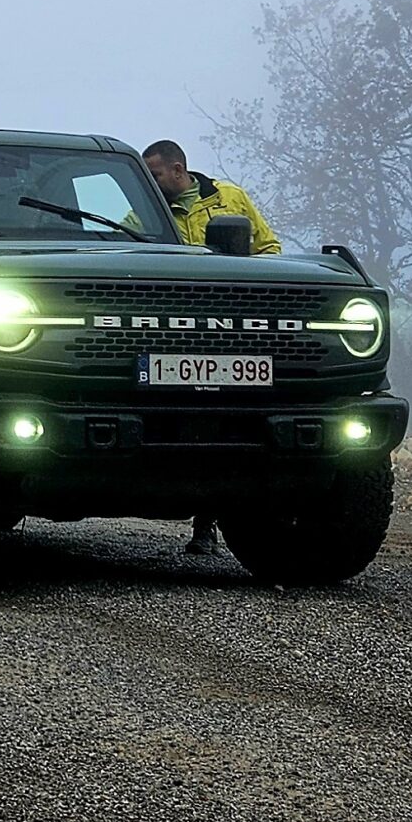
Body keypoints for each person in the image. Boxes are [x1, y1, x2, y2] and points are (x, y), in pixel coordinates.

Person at [142, 140, 281, 556]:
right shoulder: (145, 210)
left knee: (221, 421)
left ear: (178, 168)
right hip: (169, 332)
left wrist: (249, 295)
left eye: (155, 173)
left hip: (230, 329)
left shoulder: (230, 198)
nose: (150, 181)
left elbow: (270, 249)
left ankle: (207, 525)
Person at [140, 139, 281, 255]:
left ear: (177, 171)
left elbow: (267, 248)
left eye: (155, 176)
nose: (150, 183)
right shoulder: (144, 214)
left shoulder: (231, 196)